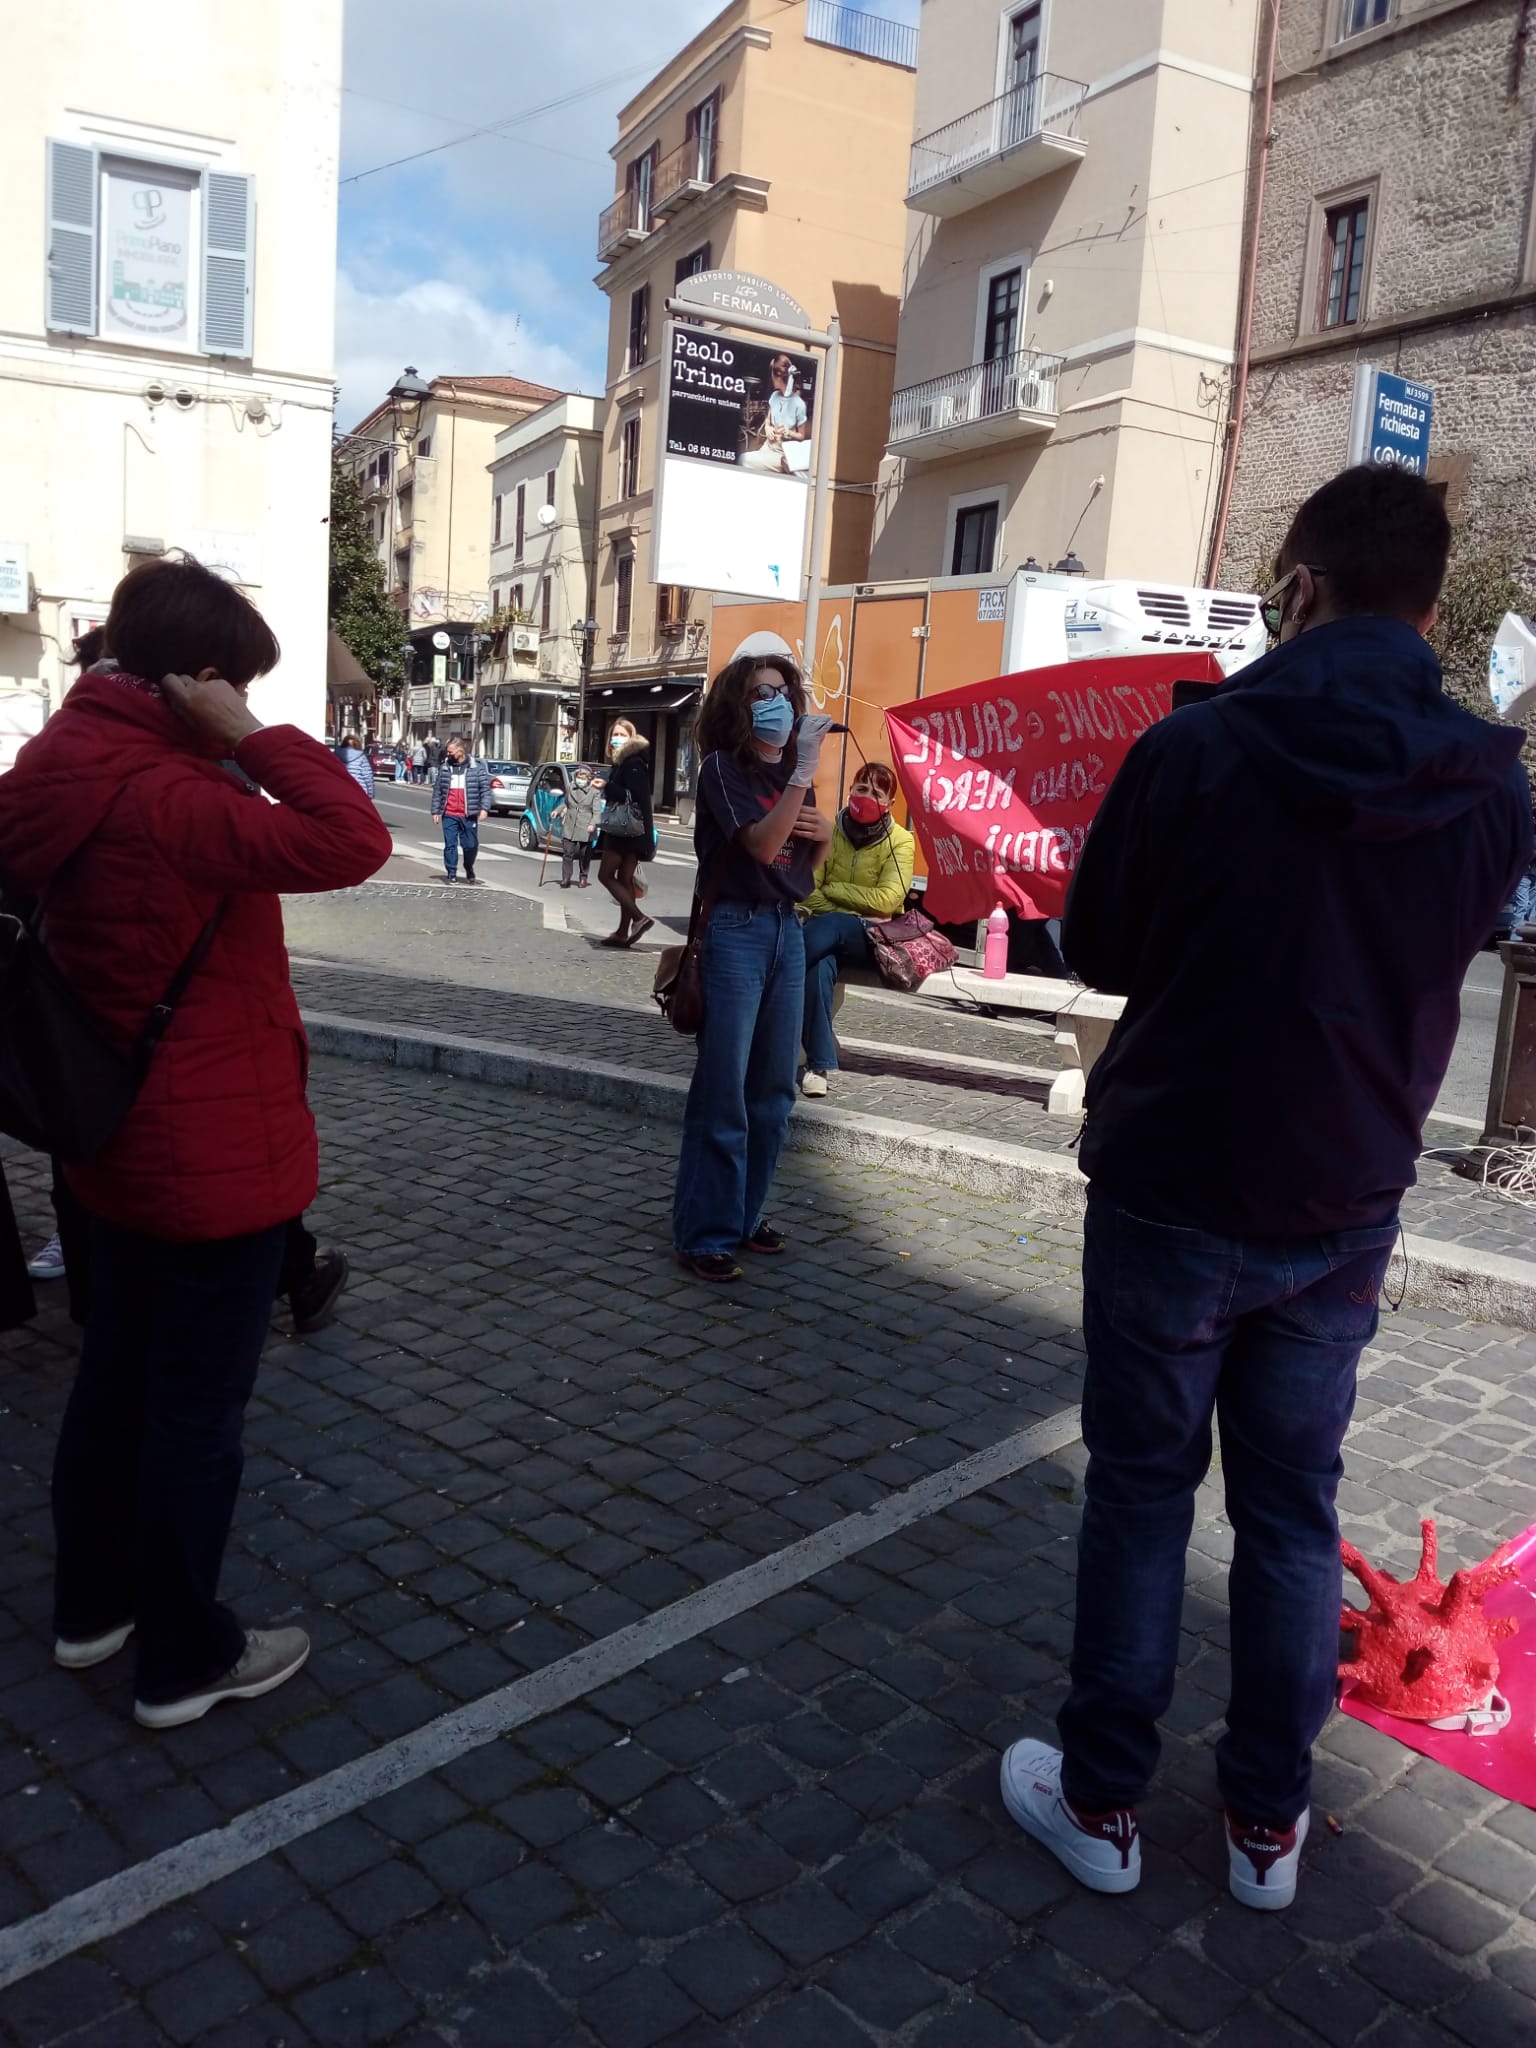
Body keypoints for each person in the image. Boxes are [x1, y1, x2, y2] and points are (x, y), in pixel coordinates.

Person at [998, 466, 1533, 1913]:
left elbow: (1097, 945)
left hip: (1177, 1180)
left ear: (1299, 587)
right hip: (1346, 1200)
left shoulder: (1198, 748)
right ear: (1429, 607)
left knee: (1142, 1497)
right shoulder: (1493, 780)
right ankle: (1265, 1828)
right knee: (1294, 1514)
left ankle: (1102, 1800)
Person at [0, 555, 393, 1728]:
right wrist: (254, 738)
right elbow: (350, 835)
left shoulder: (55, 763)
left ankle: (92, 1611)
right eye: (238, 684)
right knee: (192, 1413)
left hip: (105, 1136)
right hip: (213, 1151)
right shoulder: (174, 795)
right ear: (199, 680)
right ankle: (183, 1654)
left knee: (113, 1382)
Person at [671, 633, 834, 1281]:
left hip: (784, 929)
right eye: (761, 692)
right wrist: (801, 780)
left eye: (784, 692)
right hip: (734, 930)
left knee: (773, 1088)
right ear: (738, 704)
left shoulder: (795, 775)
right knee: (724, 1089)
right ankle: (704, 1231)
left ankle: (744, 1214)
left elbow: (803, 874)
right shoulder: (723, 770)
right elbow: (764, 848)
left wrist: (824, 838)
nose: (776, 702)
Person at [799, 762, 915, 1097]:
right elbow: (806, 889)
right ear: (850, 790)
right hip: (828, 936)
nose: (866, 797)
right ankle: (818, 1066)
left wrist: (833, 892)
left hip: (873, 941)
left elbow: (889, 899)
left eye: (877, 793)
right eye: (861, 789)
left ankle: (773, 974)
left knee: (830, 925)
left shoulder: (901, 841)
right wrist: (852, 908)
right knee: (820, 966)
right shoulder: (828, 829)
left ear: (890, 804)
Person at [597, 719, 656, 946]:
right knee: (624, 879)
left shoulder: (632, 762)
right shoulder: (627, 762)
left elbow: (636, 796)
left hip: (624, 829)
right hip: (632, 831)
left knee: (605, 875)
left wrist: (606, 787)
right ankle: (623, 932)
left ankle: (639, 918)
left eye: (622, 734)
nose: (617, 738)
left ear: (631, 738)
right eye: (615, 734)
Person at [430, 738, 490, 884]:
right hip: (449, 814)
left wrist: (484, 809)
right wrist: (436, 811)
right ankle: (452, 872)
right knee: (450, 844)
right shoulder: (445, 767)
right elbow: (438, 790)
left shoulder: (476, 768)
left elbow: (485, 790)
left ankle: (468, 867)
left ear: (460, 751)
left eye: (450, 751)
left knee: (470, 845)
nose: (448, 754)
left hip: (468, 815)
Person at [743, 355, 812, 477]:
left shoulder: (798, 404)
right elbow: (768, 419)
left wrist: (789, 432)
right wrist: (768, 428)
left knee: (744, 460)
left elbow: (802, 436)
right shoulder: (774, 396)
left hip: (782, 455)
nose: (771, 378)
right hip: (768, 446)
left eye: (772, 375)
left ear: (778, 377)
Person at [551, 767, 601, 889]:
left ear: (588, 779)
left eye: (583, 778)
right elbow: (566, 803)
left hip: (586, 826)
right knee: (568, 853)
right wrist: (557, 811)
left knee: (584, 855)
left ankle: (583, 877)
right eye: (579, 777)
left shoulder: (594, 792)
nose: (580, 780)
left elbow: (597, 812)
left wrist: (593, 824)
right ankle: (566, 878)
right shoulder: (570, 787)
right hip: (570, 824)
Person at [336, 731, 374, 797]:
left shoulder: (336, 755)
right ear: (357, 745)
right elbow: (367, 776)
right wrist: (370, 793)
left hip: (340, 791)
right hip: (359, 791)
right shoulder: (361, 757)